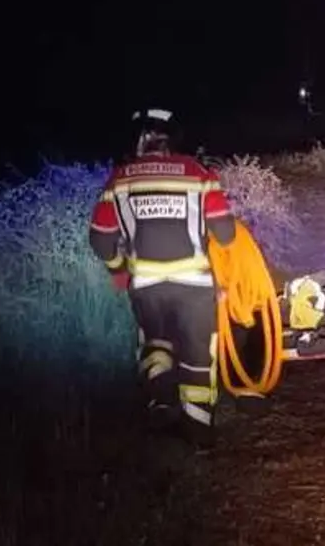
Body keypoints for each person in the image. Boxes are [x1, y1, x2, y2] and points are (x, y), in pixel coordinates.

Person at [88, 108, 237, 447]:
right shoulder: (199, 174)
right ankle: (199, 433)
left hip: (146, 287)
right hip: (195, 287)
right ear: (174, 139)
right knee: (199, 355)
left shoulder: (119, 180)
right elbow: (225, 234)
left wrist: (119, 270)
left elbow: (100, 238)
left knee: (156, 344)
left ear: (140, 140)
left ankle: (160, 411)